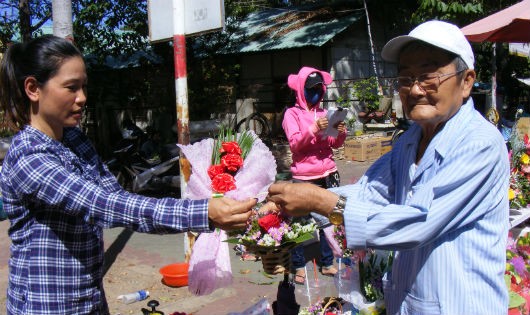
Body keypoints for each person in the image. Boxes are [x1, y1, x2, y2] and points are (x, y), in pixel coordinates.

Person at [266, 20, 509, 314]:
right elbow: (368, 192)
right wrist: (284, 198)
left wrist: (319, 200)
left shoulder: (479, 143)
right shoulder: (410, 141)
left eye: (428, 76)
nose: (415, 89)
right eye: (405, 78)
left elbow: (420, 221)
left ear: (467, 81)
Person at [0, 35, 254, 314]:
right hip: (46, 304)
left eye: (84, 86)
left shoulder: (74, 139)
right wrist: (203, 212)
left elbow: (116, 196)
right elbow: (103, 205)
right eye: (71, 87)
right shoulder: (29, 157)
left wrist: (213, 202)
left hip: (88, 298)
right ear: (33, 88)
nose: (82, 98)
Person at [282, 66, 347, 284]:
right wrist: (312, 129)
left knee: (330, 219)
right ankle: (298, 265)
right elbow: (295, 146)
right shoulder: (292, 114)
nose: (315, 93)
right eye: (311, 89)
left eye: (319, 88)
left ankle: (327, 262)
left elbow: (333, 143)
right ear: (301, 89)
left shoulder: (323, 114)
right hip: (304, 176)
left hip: (327, 172)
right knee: (300, 222)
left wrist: (340, 131)